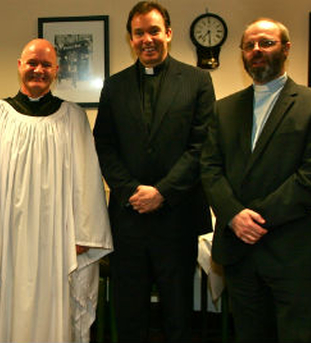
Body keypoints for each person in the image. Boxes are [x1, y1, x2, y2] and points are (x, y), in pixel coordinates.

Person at [0, 38, 113, 343]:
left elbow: (88, 182)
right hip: (4, 241)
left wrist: (84, 234)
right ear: (19, 66)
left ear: (57, 70)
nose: (38, 70)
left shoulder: (74, 118)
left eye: (46, 65)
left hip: (59, 241)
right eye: (32, 63)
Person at [201, 18, 311, 342]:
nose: (256, 51)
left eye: (266, 43)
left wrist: (255, 219)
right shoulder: (223, 109)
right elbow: (209, 168)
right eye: (249, 46)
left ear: (286, 48)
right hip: (240, 253)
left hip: (294, 252)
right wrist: (234, 215)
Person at [93, 1, 215, 341]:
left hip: (177, 218)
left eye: (154, 31)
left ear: (169, 34)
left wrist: (162, 191)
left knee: (178, 314)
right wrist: (131, 190)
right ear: (130, 39)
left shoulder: (198, 81)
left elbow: (201, 146)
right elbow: (104, 145)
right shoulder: (114, 86)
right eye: (139, 33)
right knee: (129, 313)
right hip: (128, 221)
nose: (147, 39)